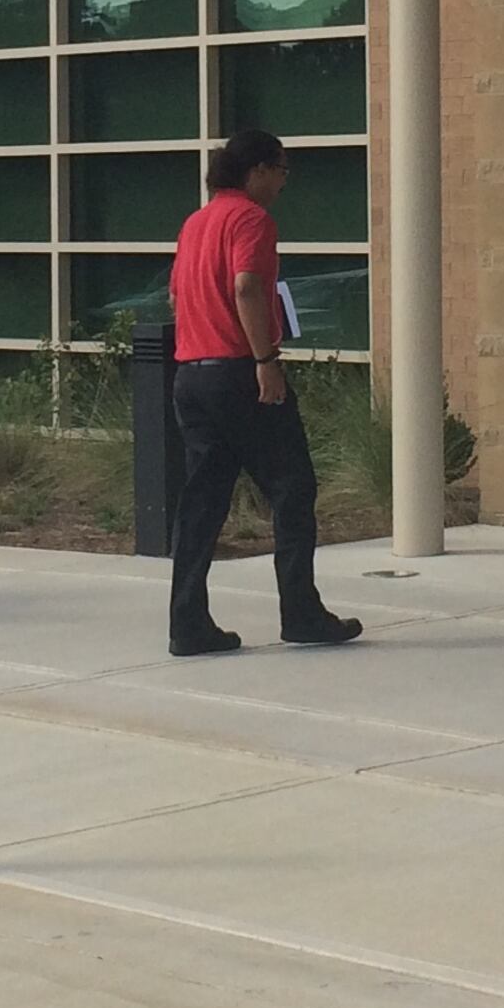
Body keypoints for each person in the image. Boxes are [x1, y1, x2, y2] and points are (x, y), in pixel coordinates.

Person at [164, 130, 361, 657]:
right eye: (281, 170)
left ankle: (188, 623)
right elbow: (248, 286)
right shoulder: (251, 220)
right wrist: (265, 360)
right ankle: (300, 612)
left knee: (202, 500)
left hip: (191, 373)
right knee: (292, 487)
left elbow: (176, 293)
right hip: (238, 372)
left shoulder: (195, 223)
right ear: (255, 171)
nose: (283, 181)